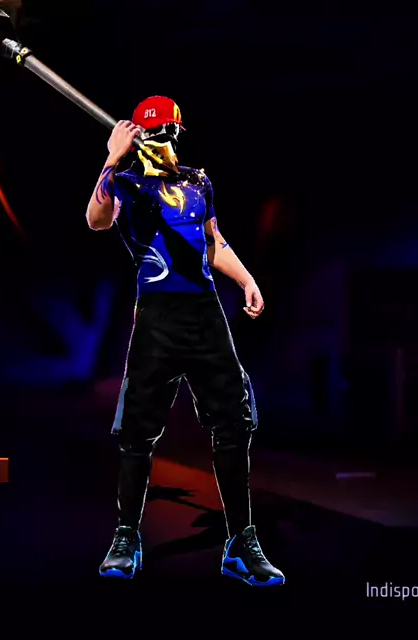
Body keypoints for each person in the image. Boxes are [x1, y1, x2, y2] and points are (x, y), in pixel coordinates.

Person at [86, 96, 284, 587]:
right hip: (157, 317)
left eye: (169, 132)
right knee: (138, 431)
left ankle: (241, 543)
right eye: (154, 133)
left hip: (206, 315)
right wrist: (112, 158)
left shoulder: (198, 181)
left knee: (233, 422)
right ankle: (126, 537)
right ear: (139, 137)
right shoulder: (127, 183)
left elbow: (213, 241)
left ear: (179, 133)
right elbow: (96, 219)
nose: (164, 141)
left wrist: (246, 279)